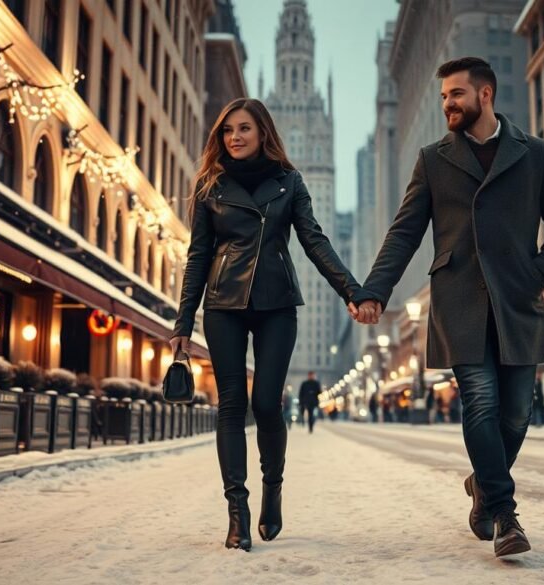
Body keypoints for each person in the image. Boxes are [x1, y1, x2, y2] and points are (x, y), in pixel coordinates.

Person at [350, 57, 544, 557]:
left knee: (518, 413)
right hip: (457, 299)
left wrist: (540, 272)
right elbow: (406, 231)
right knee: (480, 400)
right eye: (443, 97)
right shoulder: (434, 159)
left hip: (519, 299)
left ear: (486, 95)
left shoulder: (534, 153)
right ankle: (504, 515)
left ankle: (481, 484)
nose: (448, 104)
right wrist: (374, 290)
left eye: (456, 94)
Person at [169, 98, 363, 552]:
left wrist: (352, 290)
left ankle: (272, 488)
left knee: (268, 404)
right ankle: (237, 512)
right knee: (232, 405)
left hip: (277, 304)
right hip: (224, 304)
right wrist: (183, 320)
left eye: (244, 129)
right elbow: (198, 255)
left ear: (263, 134)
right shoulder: (209, 185)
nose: (234, 137)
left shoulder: (289, 182)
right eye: (227, 131)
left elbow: (314, 240)